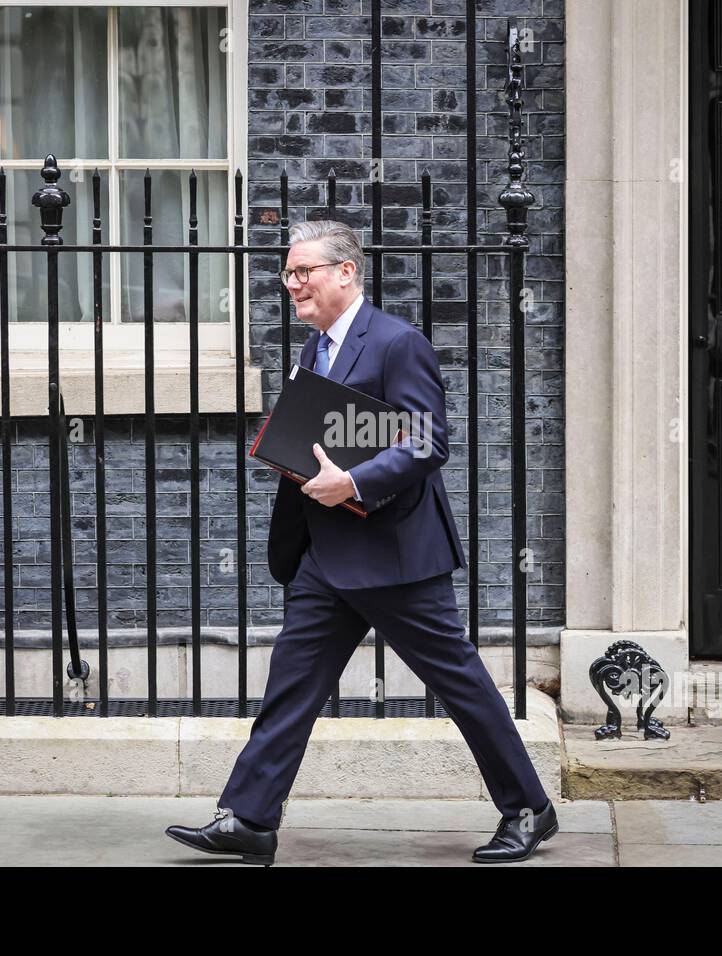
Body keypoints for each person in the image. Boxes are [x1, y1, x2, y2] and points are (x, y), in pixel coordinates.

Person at [165, 219, 557, 865]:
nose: (292, 285)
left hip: (394, 554)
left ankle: (528, 811)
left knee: (461, 686)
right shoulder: (314, 351)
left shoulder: (396, 343)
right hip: (324, 552)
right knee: (291, 688)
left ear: (345, 271)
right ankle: (251, 819)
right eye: (288, 274)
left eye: (303, 272)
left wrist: (353, 478)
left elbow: (428, 442)